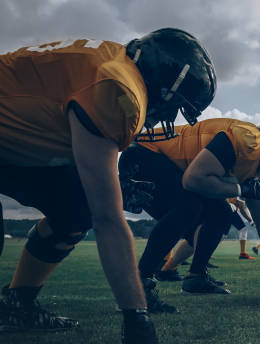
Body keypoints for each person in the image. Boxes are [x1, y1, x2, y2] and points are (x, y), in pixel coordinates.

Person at [0, 28, 215, 343]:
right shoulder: (118, 88)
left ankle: (17, 304)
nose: (168, 116)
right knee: (96, 210)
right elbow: (108, 220)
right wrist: (136, 314)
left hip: (11, 139)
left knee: (76, 207)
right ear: (163, 82)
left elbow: (47, 122)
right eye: (173, 105)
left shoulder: (114, 62)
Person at [120, 113, 260, 309]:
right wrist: (242, 189)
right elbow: (194, 179)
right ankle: (137, 287)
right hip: (144, 154)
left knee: (221, 213)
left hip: (174, 167)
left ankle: (195, 277)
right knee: (189, 206)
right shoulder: (249, 140)